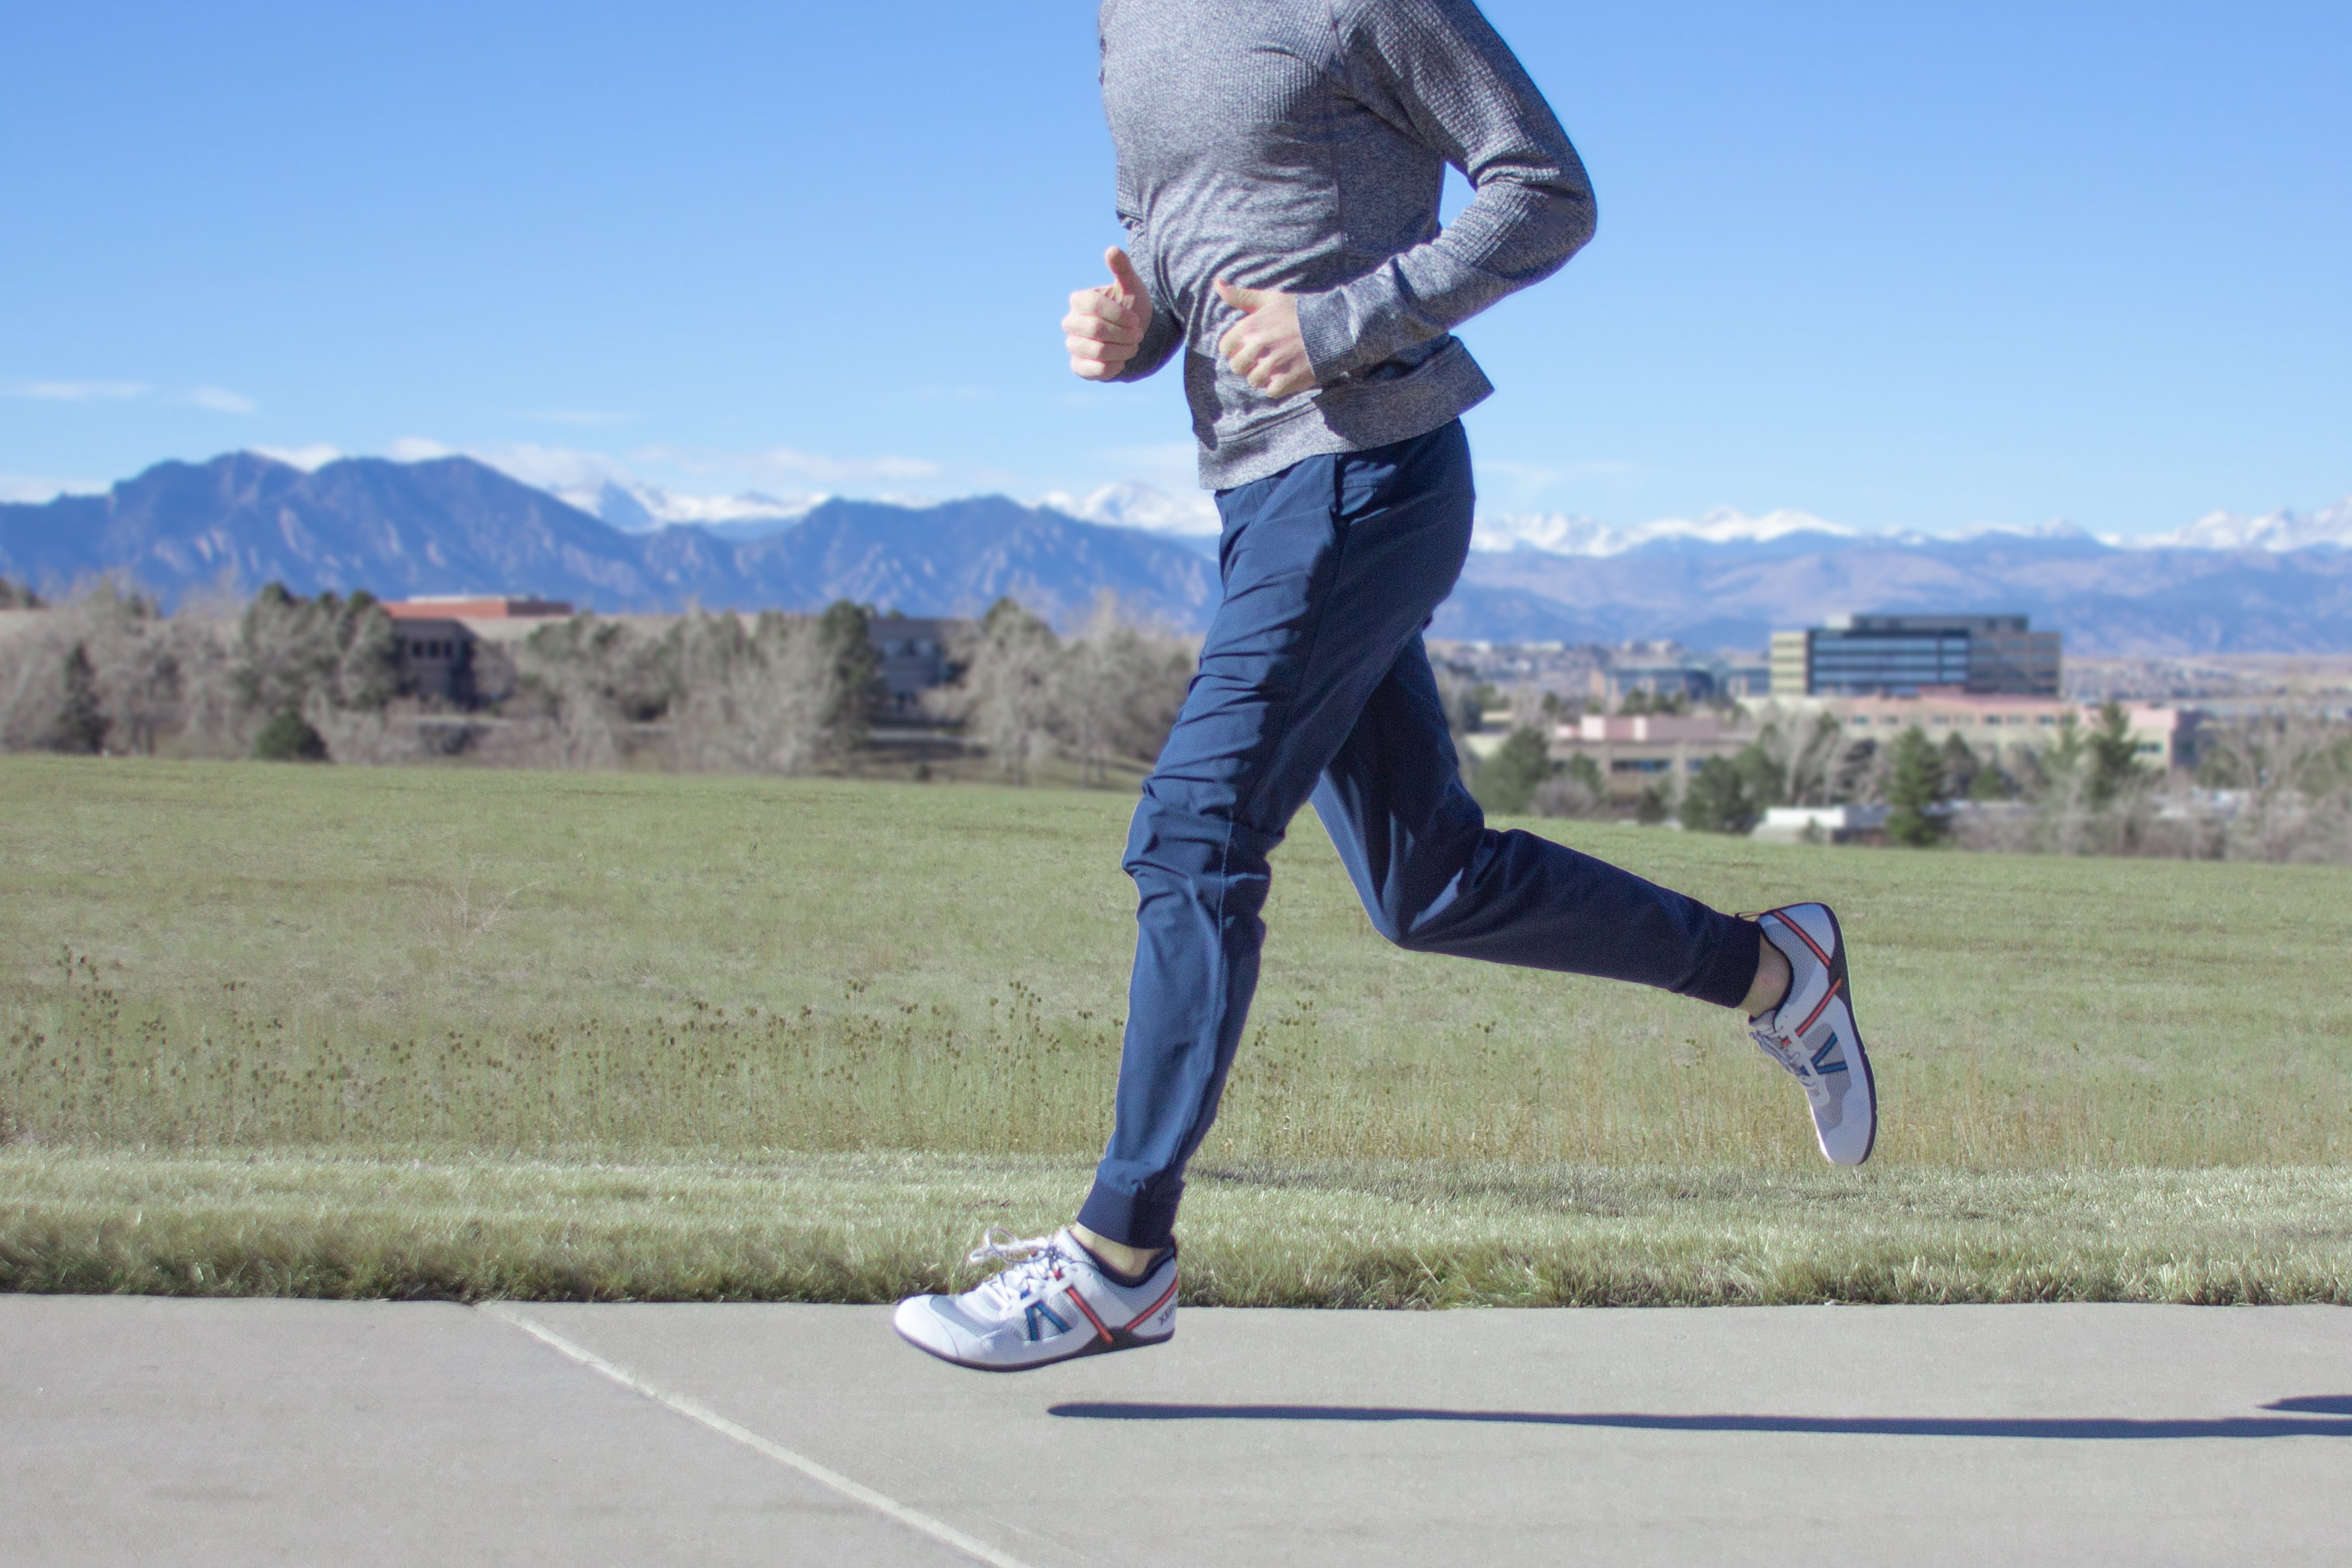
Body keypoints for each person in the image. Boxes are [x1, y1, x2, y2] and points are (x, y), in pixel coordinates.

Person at [893, 0, 1875, 1373]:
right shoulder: (1125, 24)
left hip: (1369, 466)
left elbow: (1547, 188)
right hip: (1258, 494)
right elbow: (1206, 245)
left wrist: (1350, 318)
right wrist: (1136, 323)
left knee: (1195, 830)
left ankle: (1121, 1256)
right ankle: (1778, 969)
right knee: (1429, 885)